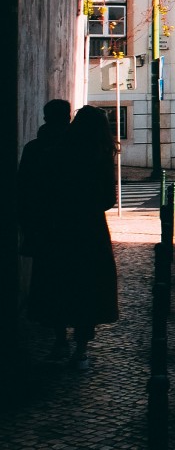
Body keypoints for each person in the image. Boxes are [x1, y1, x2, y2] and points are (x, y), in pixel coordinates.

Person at [29, 105, 120, 370]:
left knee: (57, 284)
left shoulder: (55, 153)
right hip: (89, 231)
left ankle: (60, 343)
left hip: (58, 229)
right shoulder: (99, 155)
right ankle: (81, 351)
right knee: (87, 289)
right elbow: (107, 199)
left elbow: (41, 192)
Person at [20, 100, 74, 358]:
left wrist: (27, 226)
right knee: (70, 280)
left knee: (49, 280)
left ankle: (59, 334)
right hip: (70, 228)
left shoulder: (33, 148)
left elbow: (23, 190)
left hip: (43, 227)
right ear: (67, 117)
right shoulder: (75, 148)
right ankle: (74, 337)